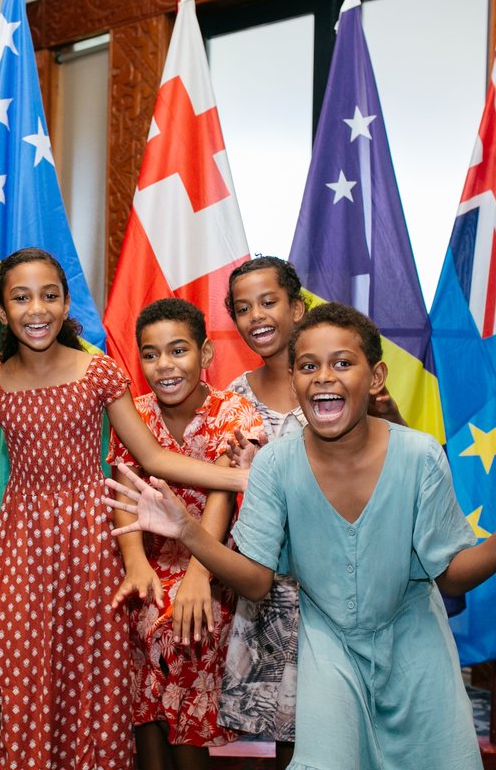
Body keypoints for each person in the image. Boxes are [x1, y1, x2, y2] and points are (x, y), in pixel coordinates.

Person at [108, 302, 496, 770]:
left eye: (342, 363)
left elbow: (451, 578)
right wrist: (188, 531)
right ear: (293, 380)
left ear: (376, 376)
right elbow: (257, 583)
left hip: (417, 649)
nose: (324, 376)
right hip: (327, 652)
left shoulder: (420, 456)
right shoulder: (274, 465)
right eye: (308, 366)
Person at [0, 247, 249, 770]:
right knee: (22, 665)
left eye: (49, 295)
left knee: (89, 665)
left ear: (65, 304)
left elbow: (152, 456)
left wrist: (240, 478)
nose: (37, 309)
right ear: (3, 312)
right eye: (21, 298)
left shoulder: (98, 372)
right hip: (24, 546)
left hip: (92, 539)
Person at [108, 298, 264, 769]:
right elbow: (124, 491)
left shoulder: (232, 411)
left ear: (205, 353)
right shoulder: (135, 413)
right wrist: (135, 564)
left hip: (211, 563)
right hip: (147, 560)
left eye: (178, 350)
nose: (164, 365)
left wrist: (198, 574)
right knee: (139, 668)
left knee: (180, 637)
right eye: (151, 354)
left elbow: (223, 492)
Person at [216, 256, 307, 765]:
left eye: (268, 302)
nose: (256, 317)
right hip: (266, 583)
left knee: (331, 714)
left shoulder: (329, 383)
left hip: (327, 579)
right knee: (284, 722)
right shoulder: (235, 398)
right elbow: (225, 493)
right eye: (243, 308)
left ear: (297, 307)